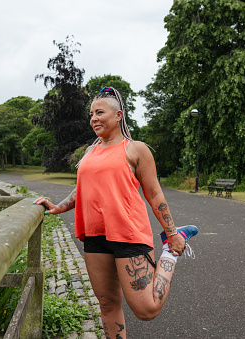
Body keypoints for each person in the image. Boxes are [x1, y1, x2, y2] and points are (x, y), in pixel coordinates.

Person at [33, 86, 198, 339]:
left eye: (100, 112)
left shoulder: (136, 149)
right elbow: (82, 190)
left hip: (129, 234)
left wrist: (172, 232)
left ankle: (169, 250)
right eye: (91, 114)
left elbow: (154, 194)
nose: (93, 118)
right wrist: (58, 207)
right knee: (108, 304)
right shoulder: (90, 152)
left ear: (119, 114)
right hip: (95, 236)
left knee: (147, 309)